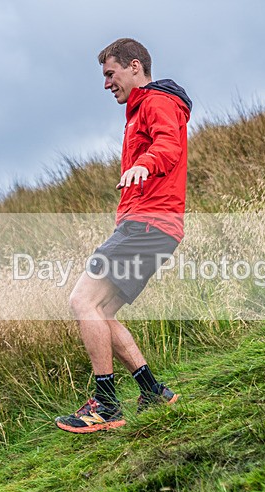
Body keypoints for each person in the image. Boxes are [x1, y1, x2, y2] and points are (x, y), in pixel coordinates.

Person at [55, 38, 192, 433]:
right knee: (101, 311)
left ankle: (106, 405)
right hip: (149, 226)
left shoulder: (155, 101)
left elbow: (168, 144)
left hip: (148, 224)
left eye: (110, 74)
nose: (106, 83)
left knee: (82, 300)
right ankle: (152, 391)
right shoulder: (138, 110)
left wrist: (145, 164)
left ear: (135, 66)